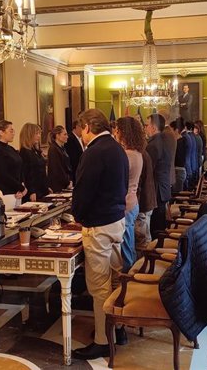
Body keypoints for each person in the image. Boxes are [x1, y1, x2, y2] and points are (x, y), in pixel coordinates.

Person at [71, 109, 128, 360]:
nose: (81, 135)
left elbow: (83, 191)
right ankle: (118, 329)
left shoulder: (94, 151)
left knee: (99, 286)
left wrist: (78, 216)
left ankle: (103, 340)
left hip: (99, 227)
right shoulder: (116, 148)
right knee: (115, 280)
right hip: (116, 221)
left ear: (86, 127)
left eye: (80, 129)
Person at [113, 116, 144, 273]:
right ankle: (131, 273)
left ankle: (127, 278)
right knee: (129, 242)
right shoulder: (137, 153)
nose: (115, 133)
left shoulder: (127, 155)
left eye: (117, 130)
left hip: (126, 202)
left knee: (125, 244)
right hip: (133, 201)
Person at [145, 113, 176, 237]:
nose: (145, 128)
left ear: (153, 127)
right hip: (163, 186)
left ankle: (156, 251)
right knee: (159, 223)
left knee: (156, 226)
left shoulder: (153, 145)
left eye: (147, 125)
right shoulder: (164, 141)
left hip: (156, 189)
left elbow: (148, 170)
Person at [0, 120, 26, 199]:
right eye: (10, 131)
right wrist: (21, 188)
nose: (13, 133)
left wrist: (22, 185)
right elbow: (3, 174)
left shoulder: (10, 148)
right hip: (5, 192)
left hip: (17, 190)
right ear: (1, 132)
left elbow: (20, 166)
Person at [19, 123, 48, 202]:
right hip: (34, 191)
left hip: (41, 189)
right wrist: (32, 191)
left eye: (39, 133)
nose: (39, 136)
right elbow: (27, 174)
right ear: (29, 134)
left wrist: (46, 186)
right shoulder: (25, 152)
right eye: (36, 133)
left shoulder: (34, 150)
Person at [135, 147, 157, 251]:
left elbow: (138, 184)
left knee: (142, 241)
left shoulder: (138, 155)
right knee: (146, 237)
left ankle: (142, 265)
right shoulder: (143, 153)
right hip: (148, 200)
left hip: (142, 203)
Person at [47, 125, 72, 192]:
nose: (67, 136)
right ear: (57, 136)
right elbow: (57, 169)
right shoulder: (53, 149)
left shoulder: (62, 148)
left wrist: (69, 180)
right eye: (65, 134)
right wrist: (67, 182)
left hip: (64, 184)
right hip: (57, 185)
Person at [170, 120, 187, 193]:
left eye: (170, 130)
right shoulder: (182, 140)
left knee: (176, 195)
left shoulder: (179, 143)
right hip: (179, 171)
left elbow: (177, 159)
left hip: (178, 172)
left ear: (176, 130)